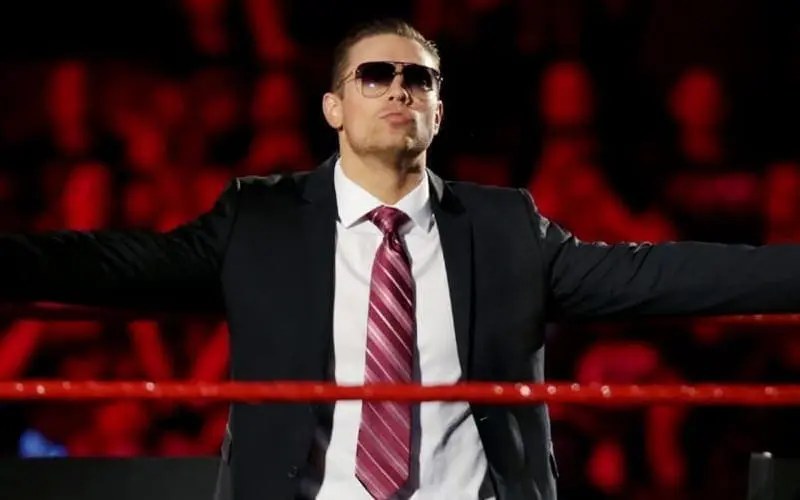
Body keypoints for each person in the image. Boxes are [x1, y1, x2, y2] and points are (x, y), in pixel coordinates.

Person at [4, 18, 800, 500]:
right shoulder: (262, 218)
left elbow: (652, 275)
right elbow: (117, 263)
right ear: (333, 107)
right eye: (375, 76)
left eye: (418, 79)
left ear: (439, 110)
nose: (398, 90)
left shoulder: (504, 225)